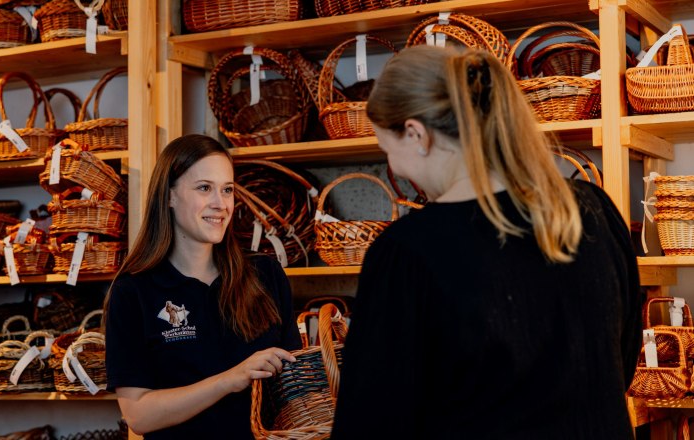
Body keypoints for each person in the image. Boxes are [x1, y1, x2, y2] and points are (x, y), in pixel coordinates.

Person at [330, 45, 642, 439]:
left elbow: (371, 422)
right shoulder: (592, 210)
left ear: (416, 134)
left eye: (386, 149)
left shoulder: (408, 253)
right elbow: (619, 363)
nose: (394, 167)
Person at [104, 134, 301, 439]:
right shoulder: (134, 291)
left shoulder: (265, 275)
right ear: (169, 196)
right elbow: (138, 414)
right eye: (204, 188)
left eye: (227, 190)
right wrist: (230, 379)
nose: (220, 204)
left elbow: (294, 385)